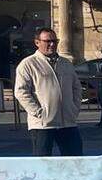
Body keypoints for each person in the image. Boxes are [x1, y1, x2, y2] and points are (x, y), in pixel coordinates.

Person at [14, 27, 84, 157]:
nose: (52, 44)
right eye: (47, 41)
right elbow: (21, 92)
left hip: (67, 121)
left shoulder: (65, 63)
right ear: (37, 42)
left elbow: (76, 87)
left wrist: (74, 108)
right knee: (43, 161)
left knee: (75, 159)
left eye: (55, 41)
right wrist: (39, 113)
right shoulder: (28, 64)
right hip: (43, 124)